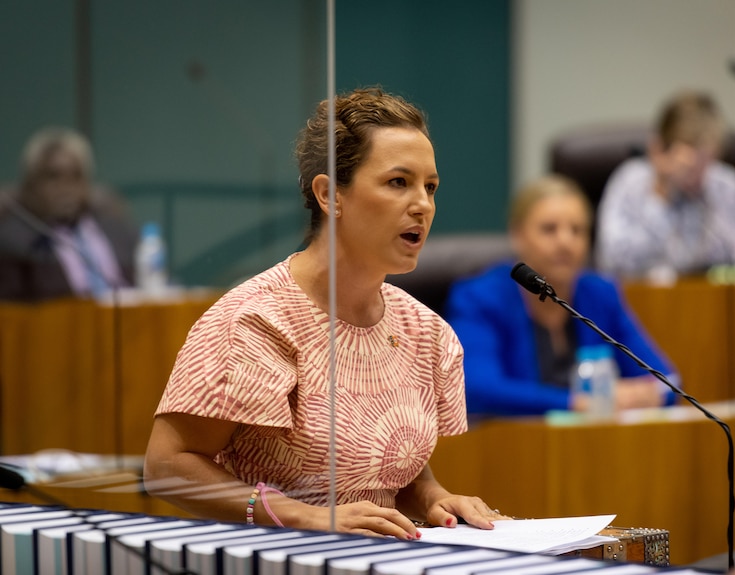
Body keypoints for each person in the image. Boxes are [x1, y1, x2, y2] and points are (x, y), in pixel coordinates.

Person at [143, 87, 503, 539]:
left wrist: (432, 497)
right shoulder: (256, 320)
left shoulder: (426, 330)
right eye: (398, 182)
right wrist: (303, 515)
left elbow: (381, 459)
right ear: (331, 195)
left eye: (430, 187)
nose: (423, 205)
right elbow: (166, 466)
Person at [445, 174, 677, 416]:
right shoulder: (480, 299)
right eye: (549, 229)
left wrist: (642, 394)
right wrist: (579, 403)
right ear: (517, 235)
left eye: (577, 230)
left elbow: (667, 382)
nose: (566, 242)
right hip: (510, 446)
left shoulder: (601, 294)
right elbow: (477, 389)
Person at [595, 90, 735, 280]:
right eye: (693, 161)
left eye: (708, 159)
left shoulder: (727, 185)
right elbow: (612, 260)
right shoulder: (630, 183)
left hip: (714, 299)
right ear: (660, 149)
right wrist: (662, 192)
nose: (701, 173)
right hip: (647, 301)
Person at [0, 127, 138, 300]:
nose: (66, 188)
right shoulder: (13, 242)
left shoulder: (116, 229)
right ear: (30, 185)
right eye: (53, 177)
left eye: (76, 177)